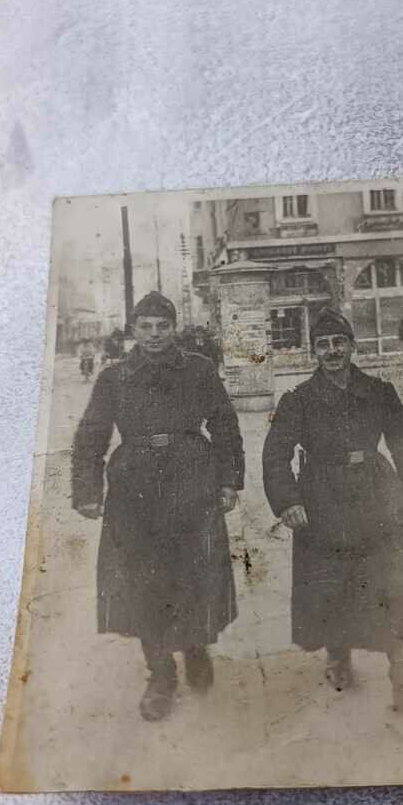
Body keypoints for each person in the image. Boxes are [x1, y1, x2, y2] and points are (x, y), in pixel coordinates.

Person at [71, 291, 244, 722]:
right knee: (143, 581)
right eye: (145, 327)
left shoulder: (198, 370)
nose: (154, 335)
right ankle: (160, 672)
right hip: (136, 491)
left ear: (174, 328)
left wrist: (228, 480)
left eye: (162, 326)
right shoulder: (115, 377)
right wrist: (88, 491)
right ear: (133, 330)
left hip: (193, 482)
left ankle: (196, 646)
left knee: (194, 572)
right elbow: (91, 435)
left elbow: (224, 424)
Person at [262, 307, 403, 712]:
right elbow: (275, 455)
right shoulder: (299, 400)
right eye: (323, 345)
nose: (331, 351)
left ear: (351, 346)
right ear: (314, 351)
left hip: (379, 491)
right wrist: (288, 501)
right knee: (332, 580)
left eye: (338, 343)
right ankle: (338, 655)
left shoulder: (379, 391)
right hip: (321, 495)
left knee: (397, 574)